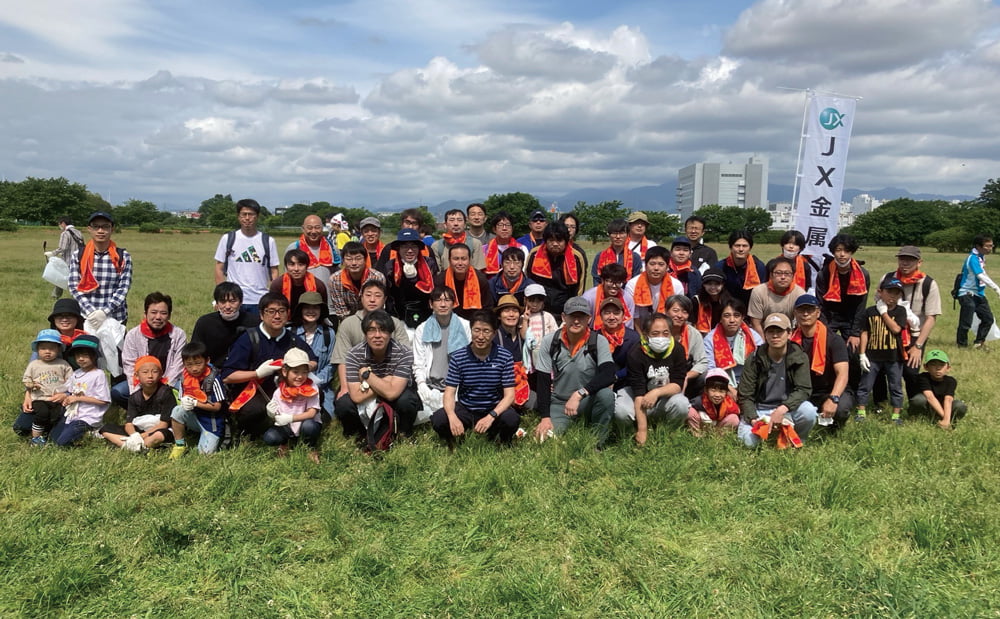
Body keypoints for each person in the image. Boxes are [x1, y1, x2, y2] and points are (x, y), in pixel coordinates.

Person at [221, 293, 316, 439]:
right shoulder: (249, 338)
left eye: (281, 311)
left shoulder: (292, 339)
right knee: (253, 411)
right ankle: (256, 433)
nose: (277, 316)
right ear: (261, 314)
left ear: (287, 314)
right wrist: (257, 374)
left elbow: (313, 361)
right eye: (271, 311)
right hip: (256, 393)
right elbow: (227, 376)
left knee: (315, 394)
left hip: (287, 391)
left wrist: (296, 369)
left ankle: (298, 433)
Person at [533, 297, 616, 449]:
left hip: (586, 400)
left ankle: (597, 443)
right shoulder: (550, 341)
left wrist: (580, 394)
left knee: (606, 395)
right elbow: (543, 381)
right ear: (564, 317)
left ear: (589, 319)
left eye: (581, 317)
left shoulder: (598, 341)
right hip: (559, 403)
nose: (576, 321)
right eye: (572, 316)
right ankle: (562, 423)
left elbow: (609, 373)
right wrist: (545, 417)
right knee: (545, 441)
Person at [431, 309, 519, 448]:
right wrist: (452, 417)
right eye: (476, 330)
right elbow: (449, 392)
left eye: (486, 331)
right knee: (439, 418)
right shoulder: (459, 357)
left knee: (511, 419)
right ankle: (455, 442)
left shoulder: (505, 356)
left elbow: (509, 395)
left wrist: (491, 416)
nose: (480, 336)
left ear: (494, 333)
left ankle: (500, 442)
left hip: (493, 408)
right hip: (467, 409)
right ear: (471, 331)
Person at [334, 309, 421, 443]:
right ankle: (356, 435)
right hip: (367, 394)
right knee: (343, 404)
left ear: (390, 333)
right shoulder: (353, 354)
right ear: (365, 334)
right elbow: (356, 396)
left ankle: (404, 433)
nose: (377, 335)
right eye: (372, 330)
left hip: (382, 392)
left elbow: (392, 393)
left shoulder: (404, 353)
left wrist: (367, 375)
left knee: (407, 400)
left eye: (383, 330)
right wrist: (386, 381)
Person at [736, 313, 817, 449]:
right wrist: (754, 419)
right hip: (760, 410)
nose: (775, 336)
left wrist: (782, 410)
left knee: (809, 411)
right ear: (765, 334)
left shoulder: (799, 356)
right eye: (770, 331)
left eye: (779, 331)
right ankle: (770, 437)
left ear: (789, 333)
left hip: (787, 409)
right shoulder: (754, 358)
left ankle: (797, 439)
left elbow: (803, 389)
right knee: (749, 443)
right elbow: (745, 395)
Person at [331, 280, 411, 403]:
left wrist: (381, 382)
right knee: (344, 404)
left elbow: (405, 355)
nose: (372, 299)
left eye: (378, 296)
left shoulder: (395, 322)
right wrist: (345, 387)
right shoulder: (348, 324)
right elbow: (342, 358)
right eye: (368, 295)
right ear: (361, 298)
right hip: (357, 379)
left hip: (391, 378)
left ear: (384, 300)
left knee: (406, 401)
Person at [617, 312, 690, 445]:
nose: (661, 337)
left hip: (664, 395)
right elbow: (638, 394)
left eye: (665, 333)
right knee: (621, 410)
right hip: (638, 397)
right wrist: (642, 430)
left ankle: (668, 434)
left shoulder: (678, 350)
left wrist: (656, 392)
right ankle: (630, 435)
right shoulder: (635, 353)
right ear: (646, 334)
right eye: (655, 333)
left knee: (682, 404)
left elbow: (677, 384)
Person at [113, 292, 187, 408]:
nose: (158, 317)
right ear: (145, 314)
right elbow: (130, 366)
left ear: (169, 315)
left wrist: (163, 389)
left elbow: (178, 366)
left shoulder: (178, 335)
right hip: (141, 382)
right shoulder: (133, 335)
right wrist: (139, 395)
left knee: (184, 391)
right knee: (118, 392)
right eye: (153, 312)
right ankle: (139, 409)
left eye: (163, 313)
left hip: (167, 382)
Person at [884, 245, 941, 396]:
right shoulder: (888, 278)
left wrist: (918, 346)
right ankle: (880, 403)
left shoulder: (928, 284)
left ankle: (915, 403)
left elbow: (931, 318)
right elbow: (879, 305)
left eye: (910, 260)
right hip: (888, 331)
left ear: (919, 262)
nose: (905, 263)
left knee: (911, 371)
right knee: (881, 369)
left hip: (915, 336)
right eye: (902, 259)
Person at [791, 295, 853, 432]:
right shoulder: (790, 340)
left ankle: (833, 428)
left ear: (818, 313)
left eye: (810, 310)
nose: (806, 314)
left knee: (841, 409)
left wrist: (834, 399)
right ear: (795, 313)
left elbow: (842, 374)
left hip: (829, 390)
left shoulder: (834, 340)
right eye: (801, 310)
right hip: (803, 391)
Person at [413, 287, 471, 422]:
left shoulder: (465, 326)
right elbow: (419, 362)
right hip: (431, 387)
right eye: (438, 300)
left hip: (457, 387)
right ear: (431, 304)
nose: (443, 304)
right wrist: (421, 384)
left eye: (447, 300)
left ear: (454, 303)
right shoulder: (422, 329)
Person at [856, 276, 908, 424]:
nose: (893, 296)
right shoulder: (870, 312)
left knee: (895, 386)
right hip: (872, 356)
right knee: (865, 384)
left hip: (893, 356)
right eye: (889, 292)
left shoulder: (900, 311)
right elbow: (864, 332)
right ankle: (861, 412)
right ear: (880, 292)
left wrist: (884, 313)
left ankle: (896, 415)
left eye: (897, 293)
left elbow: (897, 329)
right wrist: (862, 354)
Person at [68, 211, 133, 328]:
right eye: (96, 227)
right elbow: (73, 286)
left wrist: (104, 312)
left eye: (105, 227)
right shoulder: (79, 255)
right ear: (89, 229)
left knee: (115, 347)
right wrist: (91, 311)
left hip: (116, 318)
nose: (100, 231)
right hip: (87, 317)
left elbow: (123, 287)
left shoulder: (122, 256)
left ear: (112, 229)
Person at [213, 199, 278, 315]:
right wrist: (220, 298)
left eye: (251, 214)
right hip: (233, 301)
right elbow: (219, 267)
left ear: (257, 216)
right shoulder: (227, 239)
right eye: (244, 214)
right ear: (238, 216)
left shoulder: (268, 241)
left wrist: (272, 299)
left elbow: (274, 271)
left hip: (259, 300)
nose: (247, 218)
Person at [99, 356, 175, 453]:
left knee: (158, 436)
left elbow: (164, 424)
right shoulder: (134, 397)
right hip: (140, 429)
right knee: (105, 429)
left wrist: (143, 436)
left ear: (160, 374)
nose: (150, 376)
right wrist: (134, 435)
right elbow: (129, 424)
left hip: (158, 429)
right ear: (137, 375)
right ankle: (138, 446)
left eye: (155, 372)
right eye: (145, 372)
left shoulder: (165, 393)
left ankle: (130, 446)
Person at [48, 335, 110, 446]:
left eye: (85, 355)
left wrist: (78, 398)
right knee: (52, 439)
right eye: (77, 356)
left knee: (62, 443)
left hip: (88, 417)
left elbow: (103, 400)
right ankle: (79, 435)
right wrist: (65, 397)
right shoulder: (76, 373)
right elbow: (68, 390)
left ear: (94, 356)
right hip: (72, 416)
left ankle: (92, 432)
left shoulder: (98, 375)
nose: (81, 359)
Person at [169, 341, 227, 457]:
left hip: (211, 423)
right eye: (189, 365)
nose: (194, 368)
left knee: (204, 455)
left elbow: (217, 407)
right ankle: (180, 445)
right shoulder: (184, 378)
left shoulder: (213, 380)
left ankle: (209, 437)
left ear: (207, 361)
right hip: (194, 417)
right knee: (177, 411)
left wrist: (195, 403)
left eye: (198, 363)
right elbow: (182, 398)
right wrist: (185, 402)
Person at [263, 348, 322, 462]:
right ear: (285, 371)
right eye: (295, 372)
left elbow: (312, 412)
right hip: (288, 427)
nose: (300, 376)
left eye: (304, 372)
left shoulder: (312, 388)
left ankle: (310, 447)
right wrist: (271, 413)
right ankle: (286, 443)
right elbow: (277, 416)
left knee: (310, 426)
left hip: (306, 424)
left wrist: (291, 418)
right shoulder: (279, 391)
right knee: (270, 437)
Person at [816, 233, 870, 351]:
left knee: (853, 351)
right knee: (823, 349)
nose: (842, 254)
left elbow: (861, 305)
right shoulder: (824, 274)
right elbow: (820, 304)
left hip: (851, 318)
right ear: (833, 252)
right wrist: (823, 328)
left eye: (846, 250)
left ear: (852, 252)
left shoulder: (862, 274)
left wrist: (855, 333)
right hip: (830, 317)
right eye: (838, 250)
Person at [20, 329, 74, 446]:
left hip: (58, 398)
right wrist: (31, 385)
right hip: (40, 398)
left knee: (55, 416)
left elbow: (72, 380)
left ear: (59, 349)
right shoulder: (34, 365)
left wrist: (66, 393)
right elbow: (26, 379)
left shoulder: (63, 364)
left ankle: (47, 433)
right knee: (42, 413)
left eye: (52, 348)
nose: (47, 352)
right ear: (37, 350)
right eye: (43, 348)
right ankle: (36, 438)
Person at [190, 282, 260, 368]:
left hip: (245, 371)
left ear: (241, 302)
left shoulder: (254, 322)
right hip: (213, 372)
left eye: (232, 301)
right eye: (222, 301)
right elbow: (195, 352)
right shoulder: (205, 323)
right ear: (217, 303)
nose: (227, 306)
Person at [290, 292, 336, 422]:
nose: (311, 311)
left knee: (325, 419)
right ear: (301, 310)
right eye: (307, 307)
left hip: (321, 386)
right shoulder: (290, 332)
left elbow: (331, 364)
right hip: (293, 386)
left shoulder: (329, 333)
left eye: (315, 308)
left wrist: (316, 382)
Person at [526, 222, 587, 317]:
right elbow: (528, 281)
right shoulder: (535, 254)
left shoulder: (576, 257)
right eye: (551, 240)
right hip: (538, 310)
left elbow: (579, 288)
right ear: (545, 240)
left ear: (566, 241)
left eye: (559, 240)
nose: (554, 244)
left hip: (564, 311)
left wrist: (572, 312)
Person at [705, 298, 764, 393]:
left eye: (736, 315)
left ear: (742, 317)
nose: (732, 320)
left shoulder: (753, 337)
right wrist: (727, 388)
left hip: (749, 382)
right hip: (720, 385)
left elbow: (762, 363)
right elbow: (710, 369)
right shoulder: (710, 339)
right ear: (720, 318)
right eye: (727, 316)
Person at [383, 229, 436, 329]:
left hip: (426, 314)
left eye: (413, 246)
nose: (410, 250)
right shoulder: (390, 266)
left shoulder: (429, 264)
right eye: (405, 246)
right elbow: (389, 296)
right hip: (399, 316)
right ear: (398, 248)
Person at [957, 234, 999, 349]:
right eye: (988, 246)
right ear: (978, 246)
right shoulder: (973, 258)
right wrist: (996, 288)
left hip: (978, 294)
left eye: (991, 245)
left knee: (988, 319)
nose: (990, 248)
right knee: (966, 321)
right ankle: (962, 345)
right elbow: (980, 275)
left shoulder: (981, 257)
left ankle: (979, 343)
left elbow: (983, 273)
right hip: (966, 293)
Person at [625, 246, 684, 328]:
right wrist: (642, 338)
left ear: (667, 267)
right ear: (645, 266)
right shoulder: (632, 285)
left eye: (661, 264)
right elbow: (633, 316)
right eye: (652, 264)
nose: (656, 268)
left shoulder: (676, 285)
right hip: (639, 328)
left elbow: (677, 314)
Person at [328, 241, 387, 323]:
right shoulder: (335, 280)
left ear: (365, 259)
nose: (354, 263)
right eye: (349, 259)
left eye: (358, 258)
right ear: (343, 261)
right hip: (348, 321)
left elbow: (379, 305)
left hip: (373, 318)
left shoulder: (377, 277)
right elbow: (341, 311)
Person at [596, 296, 640, 404]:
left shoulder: (633, 338)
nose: (611, 317)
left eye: (616, 313)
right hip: (598, 383)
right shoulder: (594, 337)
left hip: (625, 384)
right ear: (600, 316)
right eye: (607, 313)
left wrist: (615, 377)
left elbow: (634, 366)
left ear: (623, 315)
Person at [908, 349, 967, 429]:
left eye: (942, 365)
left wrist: (946, 419)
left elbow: (948, 399)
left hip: (944, 408)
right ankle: (921, 419)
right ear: (926, 367)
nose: (938, 368)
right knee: (918, 400)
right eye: (933, 364)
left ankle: (951, 421)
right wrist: (945, 419)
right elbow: (930, 397)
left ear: (948, 368)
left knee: (960, 405)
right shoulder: (923, 377)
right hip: (929, 407)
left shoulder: (951, 381)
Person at [747, 257, 805, 335]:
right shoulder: (759, 291)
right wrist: (764, 344)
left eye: (787, 273)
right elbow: (755, 323)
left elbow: (801, 323)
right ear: (771, 275)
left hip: (788, 334)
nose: (783, 277)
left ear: (793, 276)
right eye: (778, 273)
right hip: (764, 333)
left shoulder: (800, 294)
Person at [435, 243, 493, 321]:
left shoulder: (480, 279)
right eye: (456, 259)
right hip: (448, 320)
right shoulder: (441, 280)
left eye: (464, 259)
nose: (460, 263)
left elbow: (487, 308)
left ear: (470, 260)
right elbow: (437, 306)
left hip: (474, 321)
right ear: (449, 260)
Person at [494, 294, 533, 408]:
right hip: (499, 385)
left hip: (521, 382)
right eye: (506, 311)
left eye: (515, 311)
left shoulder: (523, 335)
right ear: (499, 316)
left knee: (536, 403)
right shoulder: (494, 337)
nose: (511, 314)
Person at [665, 295, 707, 398]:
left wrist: (687, 376)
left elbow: (702, 361)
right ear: (666, 311)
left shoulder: (693, 333)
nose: (680, 315)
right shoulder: (657, 330)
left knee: (705, 376)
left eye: (684, 312)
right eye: (675, 310)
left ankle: (694, 404)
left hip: (685, 375)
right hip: (662, 375)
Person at [521, 284, 559, 399]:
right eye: (531, 300)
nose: (535, 304)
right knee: (532, 376)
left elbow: (555, 333)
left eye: (539, 300)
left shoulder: (547, 316)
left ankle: (547, 396)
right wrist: (526, 320)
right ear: (525, 300)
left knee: (546, 376)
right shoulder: (524, 318)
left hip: (545, 352)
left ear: (543, 302)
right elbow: (523, 335)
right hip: (530, 353)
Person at [715, 229, 768, 310]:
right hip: (725, 308)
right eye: (737, 245)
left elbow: (762, 292)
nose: (741, 249)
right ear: (730, 247)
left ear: (750, 248)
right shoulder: (721, 266)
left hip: (751, 308)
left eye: (745, 246)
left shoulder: (758, 267)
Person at [375, 209, 440, 274]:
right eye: (407, 223)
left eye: (414, 223)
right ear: (401, 224)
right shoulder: (390, 249)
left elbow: (433, 276)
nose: (410, 227)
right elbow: (380, 274)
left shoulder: (427, 250)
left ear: (420, 227)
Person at [269, 249, 330, 314]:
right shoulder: (277, 285)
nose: (296, 269)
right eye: (292, 265)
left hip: (310, 320)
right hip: (284, 320)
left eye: (300, 265)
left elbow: (322, 310)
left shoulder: (318, 285)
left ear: (307, 266)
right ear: (286, 266)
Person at [285, 214, 340, 286]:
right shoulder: (293, 248)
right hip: (303, 295)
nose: (313, 231)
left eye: (317, 227)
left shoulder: (332, 248)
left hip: (327, 295)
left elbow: (337, 275)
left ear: (322, 228)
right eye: (309, 228)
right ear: (303, 228)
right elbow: (287, 277)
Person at [687, 368, 740, 437]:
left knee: (734, 418)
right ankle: (697, 433)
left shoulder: (730, 404)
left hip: (718, 427)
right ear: (706, 390)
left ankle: (717, 436)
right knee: (690, 411)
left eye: (721, 391)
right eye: (713, 390)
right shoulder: (699, 401)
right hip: (703, 425)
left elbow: (738, 413)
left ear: (727, 392)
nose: (717, 395)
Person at [583, 263, 635, 330]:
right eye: (610, 282)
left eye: (618, 283)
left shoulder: (627, 298)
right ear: (602, 280)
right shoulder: (589, 297)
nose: (614, 286)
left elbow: (628, 325)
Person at [592, 218, 642, 285]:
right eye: (614, 233)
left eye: (621, 233)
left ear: (627, 235)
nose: (618, 237)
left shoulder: (635, 257)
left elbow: (636, 281)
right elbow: (596, 280)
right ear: (609, 235)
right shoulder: (600, 256)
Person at [45, 216, 84, 298]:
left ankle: (57, 296)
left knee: (60, 278)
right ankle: (56, 295)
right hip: (80, 260)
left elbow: (63, 248)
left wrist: (52, 253)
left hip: (68, 261)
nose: (59, 226)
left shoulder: (65, 233)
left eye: (59, 224)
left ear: (63, 223)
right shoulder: (79, 232)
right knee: (76, 280)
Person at [483, 212, 527, 279]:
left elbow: (525, 272)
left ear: (512, 228)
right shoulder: (484, 250)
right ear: (494, 229)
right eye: (500, 225)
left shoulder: (522, 249)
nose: (504, 228)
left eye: (508, 225)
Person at [691, 267, 731, 335]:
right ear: (704, 285)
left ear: (723, 285)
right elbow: (692, 324)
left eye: (717, 284)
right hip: (701, 336)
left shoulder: (729, 302)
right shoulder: (696, 301)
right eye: (709, 284)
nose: (713, 287)